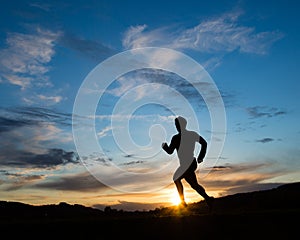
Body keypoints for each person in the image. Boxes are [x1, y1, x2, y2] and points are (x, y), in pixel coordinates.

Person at [162, 116, 214, 210]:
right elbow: (170, 151)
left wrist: (201, 156)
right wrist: (165, 147)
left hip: (190, 163)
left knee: (176, 178)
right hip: (186, 164)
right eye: (176, 125)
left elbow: (204, 143)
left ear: (183, 125)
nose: (177, 126)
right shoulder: (177, 138)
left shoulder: (189, 135)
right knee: (194, 185)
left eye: (178, 124)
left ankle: (182, 202)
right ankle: (208, 199)